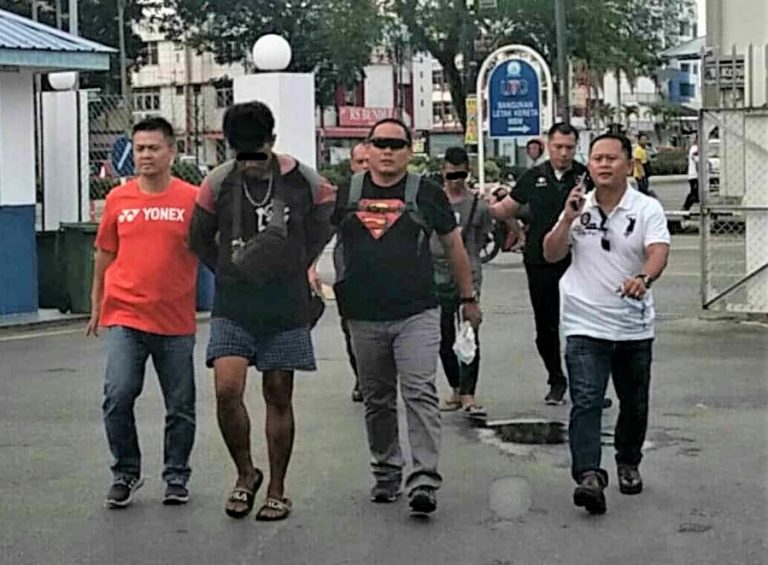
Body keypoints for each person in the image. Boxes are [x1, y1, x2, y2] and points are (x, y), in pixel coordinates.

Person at [189, 101, 335, 521]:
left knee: (278, 392)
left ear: (272, 141)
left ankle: (277, 488)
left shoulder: (303, 180)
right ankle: (245, 472)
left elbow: (326, 219)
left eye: (258, 151)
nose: (250, 161)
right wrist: (229, 270)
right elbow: (197, 238)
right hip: (234, 305)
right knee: (226, 389)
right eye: (242, 153)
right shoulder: (218, 182)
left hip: (285, 306)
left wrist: (301, 261)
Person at [332, 118, 481, 517]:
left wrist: (468, 298)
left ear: (409, 151)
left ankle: (424, 480)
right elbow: (317, 236)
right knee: (377, 398)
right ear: (368, 148)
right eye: (380, 143)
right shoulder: (347, 193)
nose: (387, 151)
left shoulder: (427, 193)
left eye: (396, 145)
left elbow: (454, 246)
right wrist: (306, 272)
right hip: (363, 315)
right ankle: (386, 473)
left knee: (419, 390)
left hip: (417, 311)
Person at [542, 133, 670, 515]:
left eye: (611, 158)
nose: (603, 165)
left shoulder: (646, 208)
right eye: (597, 158)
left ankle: (628, 460)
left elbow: (658, 251)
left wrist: (643, 278)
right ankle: (589, 476)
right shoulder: (578, 207)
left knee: (634, 403)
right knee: (586, 400)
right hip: (584, 323)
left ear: (628, 164)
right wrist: (568, 218)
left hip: (632, 325)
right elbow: (551, 253)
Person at [87, 117, 199, 509]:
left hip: (175, 319)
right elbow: (105, 253)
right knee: (117, 395)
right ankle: (125, 472)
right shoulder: (119, 199)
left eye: (153, 148)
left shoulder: (192, 199)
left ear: (171, 152)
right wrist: (97, 301)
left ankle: (176, 475)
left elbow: (212, 250)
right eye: (139, 149)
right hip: (125, 315)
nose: (146, 155)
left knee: (180, 404)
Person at [490, 123, 588, 405]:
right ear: (549, 145)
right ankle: (556, 379)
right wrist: (480, 207)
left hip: (580, 260)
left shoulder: (586, 176)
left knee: (583, 325)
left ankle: (585, 384)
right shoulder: (533, 177)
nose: (564, 153)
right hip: (540, 261)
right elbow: (505, 209)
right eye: (558, 147)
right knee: (546, 325)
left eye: (569, 147)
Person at [432, 147, 493, 416]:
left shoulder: (479, 206)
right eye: (451, 174)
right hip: (436, 274)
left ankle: (469, 393)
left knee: (469, 332)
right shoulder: (433, 202)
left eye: (460, 174)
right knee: (443, 335)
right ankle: (456, 387)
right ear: (443, 171)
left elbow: (482, 239)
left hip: (470, 274)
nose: (455, 180)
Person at [307, 141, 369, 402]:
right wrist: (311, 267)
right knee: (351, 329)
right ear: (352, 165)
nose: (365, 166)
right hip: (348, 272)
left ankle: (379, 378)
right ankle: (362, 378)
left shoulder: (392, 192)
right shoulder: (343, 195)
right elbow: (325, 232)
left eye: (368, 161)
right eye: (360, 162)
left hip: (384, 274)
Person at [683, 137, 699, 210]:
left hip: (696, 175)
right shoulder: (695, 148)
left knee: (696, 193)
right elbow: (696, 161)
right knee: (694, 193)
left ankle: (687, 207)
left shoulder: (697, 148)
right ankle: (686, 207)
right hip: (694, 175)